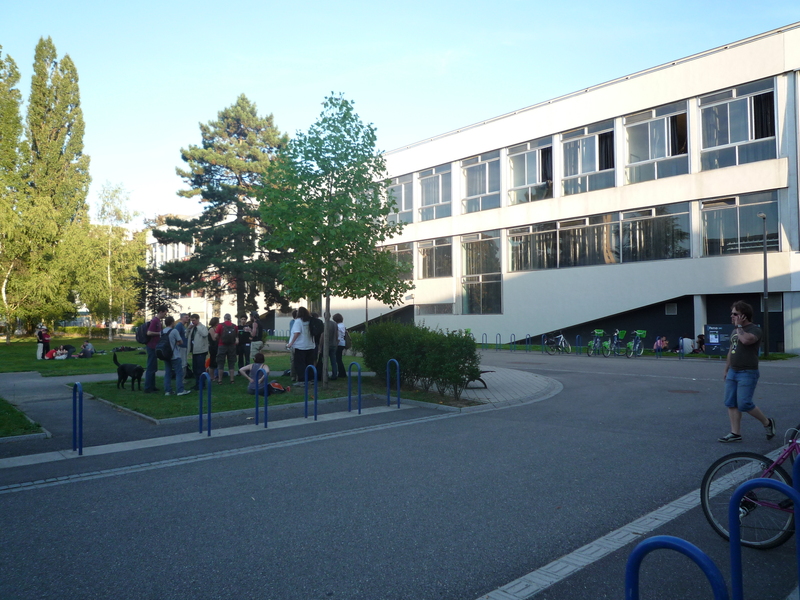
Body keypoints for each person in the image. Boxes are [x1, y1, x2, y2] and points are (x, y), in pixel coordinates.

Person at [718, 300, 776, 443]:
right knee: (731, 402)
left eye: (735, 314)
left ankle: (767, 422)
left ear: (744, 316)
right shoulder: (734, 331)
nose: (732, 316)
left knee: (744, 403)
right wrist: (726, 369)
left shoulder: (754, 329)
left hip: (747, 372)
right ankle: (735, 433)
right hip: (733, 371)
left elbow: (746, 340)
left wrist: (739, 327)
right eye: (732, 313)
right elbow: (732, 350)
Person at [161, 316, 190, 396]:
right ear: (172, 322)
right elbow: (180, 341)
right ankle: (180, 390)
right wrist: (175, 343)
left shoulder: (162, 331)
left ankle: (168, 390)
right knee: (179, 373)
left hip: (166, 354)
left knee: (168, 373)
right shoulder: (174, 331)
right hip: (175, 354)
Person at [287, 306, 315, 383]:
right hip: (310, 345)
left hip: (300, 346)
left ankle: (302, 379)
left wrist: (291, 343)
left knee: (299, 364)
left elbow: (297, 332)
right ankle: (310, 378)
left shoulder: (298, 321)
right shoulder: (310, 321)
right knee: (309, 363)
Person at [144, 306, 167, 393]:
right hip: (152, 346)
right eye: (165, 313)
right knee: (151, 367)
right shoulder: (154, 321)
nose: (165, 315)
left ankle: (152, 386)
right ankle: (148, 387)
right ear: (161, 312)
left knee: (154, 367)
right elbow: (149, 332)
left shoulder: (158, 321)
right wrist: (159, 333)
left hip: (155, 346)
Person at [187, 314, 209, 390]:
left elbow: (205, 334)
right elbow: (186, 335)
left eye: (194, 320)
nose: (192, 322)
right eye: (191, 320)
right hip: (194, 351)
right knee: (195, 369)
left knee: (200, 369)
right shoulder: (192, 328)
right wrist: (188, 329)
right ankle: (197, 383)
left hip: (201, 351)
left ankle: (202, 384)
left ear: (198, 319)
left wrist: (198, 326)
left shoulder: (202, 327)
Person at [215, 313, 238, 384]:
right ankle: (232, 379)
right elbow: (237, 338)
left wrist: (219, 339)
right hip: (232, 346)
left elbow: (215, 336)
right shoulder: (234, 326)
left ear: (224, 318)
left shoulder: (220, 325)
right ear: (230, 318)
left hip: (222, 345)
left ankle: (220, 380)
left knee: (221, 362)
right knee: (231, 363)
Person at [333, 313, 347, 380]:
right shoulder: (343, 325)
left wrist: (335, 344)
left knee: (338, 359)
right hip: (343, 343)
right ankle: (342, 373)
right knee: (339, 359)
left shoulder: (337, 327)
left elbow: (338, 337)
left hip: (339, 344)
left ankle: (341, 373)